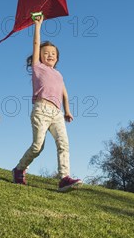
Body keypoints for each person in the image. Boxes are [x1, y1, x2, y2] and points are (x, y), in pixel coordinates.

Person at [12, 14, 82, 192]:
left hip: (57, 113)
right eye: (46, 53)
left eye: (53, 54)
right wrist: (38, 26)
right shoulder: (38, 67)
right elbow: (36, 44)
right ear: (40, 57)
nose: (50, 55)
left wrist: (67, 110)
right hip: (41, 110)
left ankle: (64, 178)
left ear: (57, 58)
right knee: (37, 147)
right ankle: (19, 169)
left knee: (63, 144)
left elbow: (64, 92)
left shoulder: (58, 74)